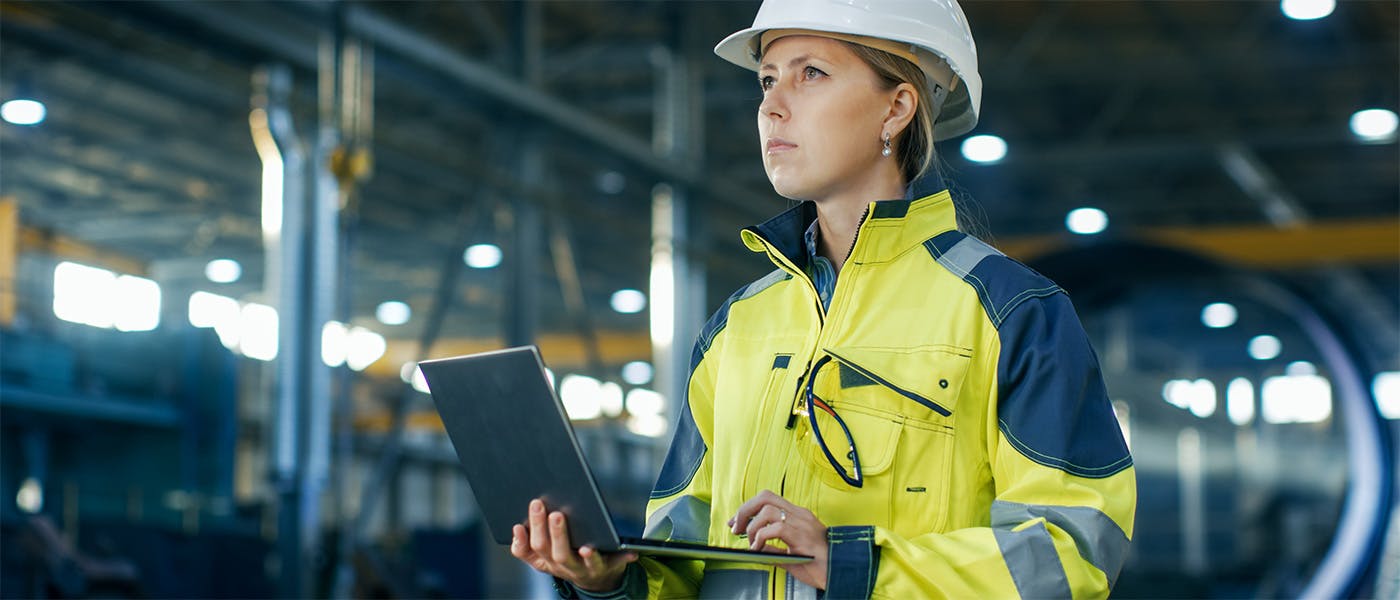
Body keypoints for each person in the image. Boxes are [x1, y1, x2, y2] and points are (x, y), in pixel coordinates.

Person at [511, 0, 1137, 597]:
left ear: (896, 108)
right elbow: (684, 546)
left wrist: (853, 565)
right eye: (766, 80)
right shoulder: (737, 327)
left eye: (811, 73)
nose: (773, 107)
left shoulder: (1011, 312)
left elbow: (1074, 552)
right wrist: (609, 579)